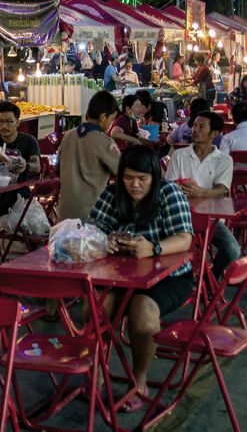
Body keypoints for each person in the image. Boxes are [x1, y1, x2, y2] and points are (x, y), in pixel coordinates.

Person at [90, 146, 193, 410]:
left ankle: (139, 380)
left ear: (154, 177)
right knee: (96, 308)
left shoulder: (169, 194)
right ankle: (97, 374)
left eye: (142, 179)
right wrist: (106, 239)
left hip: (170, 277)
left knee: (142, 310)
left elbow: (184, 238)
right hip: (121, 275)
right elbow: (93, 229)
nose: (134, 185)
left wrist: (154, 248)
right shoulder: (113, 194)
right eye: (128, 177)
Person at [166, 110, 240, 279]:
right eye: (194, 125)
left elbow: (222, 189)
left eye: (201, 126)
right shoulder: (179, 155)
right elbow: (168, 186)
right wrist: (179, 187)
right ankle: (177, 283)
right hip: (180, 217)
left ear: (214, 133)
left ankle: (210, 278)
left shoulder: (224, 160)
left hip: (211, 220)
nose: (194, 130)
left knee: (232, 250)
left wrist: (199, 191)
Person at [56, 90, 120, 222]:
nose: (111, 123)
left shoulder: (67, 136)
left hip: (63, 215)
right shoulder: (105, 143)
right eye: (112, 119)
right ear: (103, 117)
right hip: (92, 216)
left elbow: (57, 169)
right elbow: (123, 171)